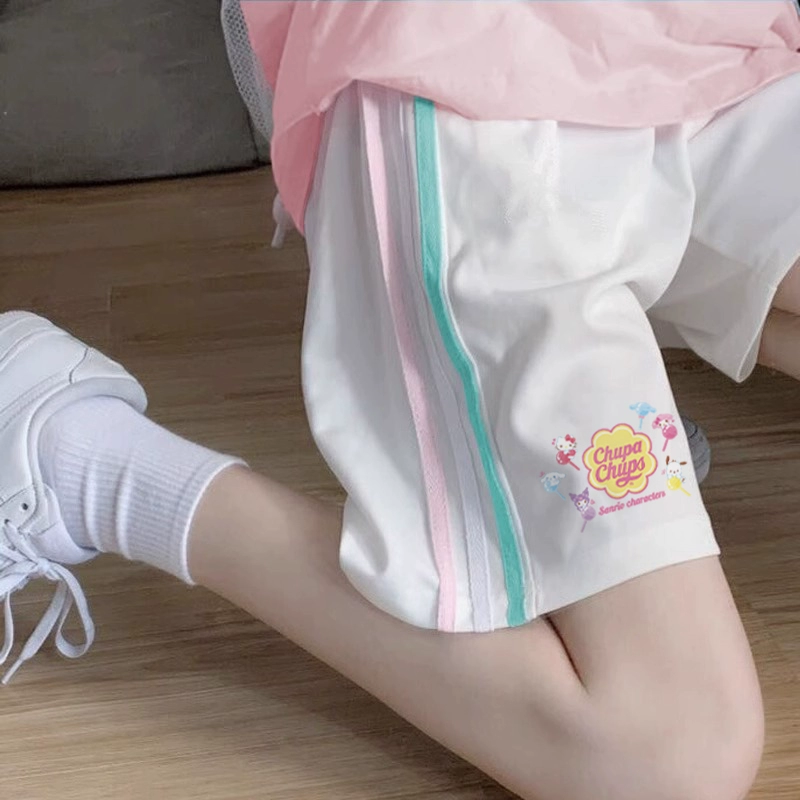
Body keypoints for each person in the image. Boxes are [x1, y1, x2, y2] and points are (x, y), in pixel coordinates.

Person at [4, 3, 800, 798]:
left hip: (718, 39)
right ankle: (87, 461)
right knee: (669, 754)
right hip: (471, 70)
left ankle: (588, 419)